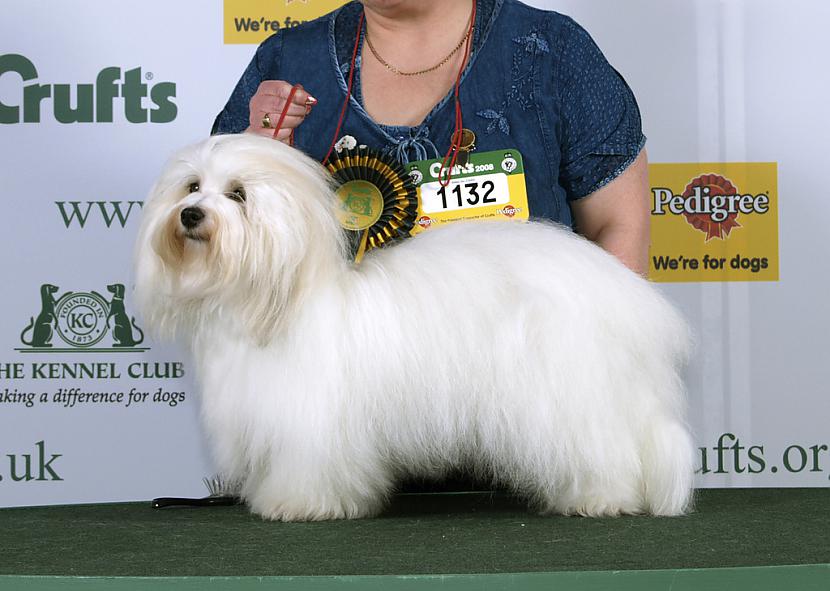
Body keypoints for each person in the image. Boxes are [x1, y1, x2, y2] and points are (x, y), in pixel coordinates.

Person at [212, 0, 649, 276]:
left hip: (526, 377)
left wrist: (596, 354)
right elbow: (223, 241)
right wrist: (255, 155)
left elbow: (618, 226)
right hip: (343, 393)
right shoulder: (286, 58)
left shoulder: (552, 49)